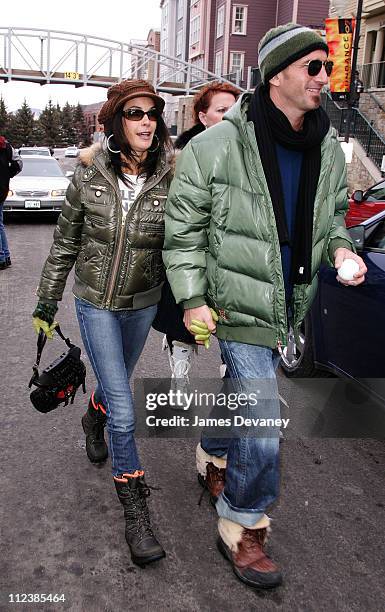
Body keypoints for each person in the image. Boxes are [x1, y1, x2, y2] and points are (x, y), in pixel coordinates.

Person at [163, 23, 367, 589]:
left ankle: (212, 455)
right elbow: (183, 234)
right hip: (234, 302)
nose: (326, 78)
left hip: (289, 299)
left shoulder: (326, 145)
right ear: (278, 74)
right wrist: (193, 298)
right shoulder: (215, 145)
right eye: (314, 67)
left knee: (241, 399)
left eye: (328, 67)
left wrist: (344, 251)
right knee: (262, 419)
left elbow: (330, 220)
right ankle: (242, 525)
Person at [32, 79, 173, 567]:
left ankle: (94, 416)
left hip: (143, 304)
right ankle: (136, 513)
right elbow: (65, 245)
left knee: (116, 388)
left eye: (152, 113)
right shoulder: (87, 176)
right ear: (115, 123)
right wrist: (46, 302)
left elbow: (188, 243)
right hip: (96, 304)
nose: (146, 122)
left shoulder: (172, 178)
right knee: (126, 408)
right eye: (135, 114)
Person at [153, 81, 240, 383]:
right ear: (203, 117)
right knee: (185, 324)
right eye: (221, 110)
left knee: (234, 329)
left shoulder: (248, 153)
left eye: (235, 109)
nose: (230, 116)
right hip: (192, 251)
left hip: (231, 255)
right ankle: (180, 370)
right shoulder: (184, 156)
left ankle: (234, 376)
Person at [0, 136, 23, 270]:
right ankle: (5, 256)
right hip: (2, 189)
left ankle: (2, 257)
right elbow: (19, 163)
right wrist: (7, 174)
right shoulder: (6, 145)